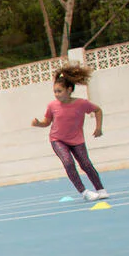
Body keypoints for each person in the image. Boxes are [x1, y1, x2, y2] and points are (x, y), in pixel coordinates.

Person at [31, 63, 108, 201]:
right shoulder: (52, 106)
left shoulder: (82, 103)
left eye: (59, 91)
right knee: (68, 163)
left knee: (86, 164)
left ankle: (100, 189)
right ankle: (84, 192)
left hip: (77, 140)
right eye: (55, 91)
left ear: (69, 90)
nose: (56, 94)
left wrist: (98, 128)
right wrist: (38, 124)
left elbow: (98, 110)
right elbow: (47, 122)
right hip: (58, 140)